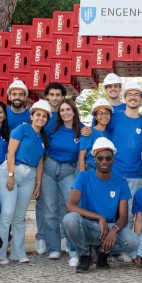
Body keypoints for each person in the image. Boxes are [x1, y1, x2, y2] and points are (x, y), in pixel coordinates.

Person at [63, 137, 140, 273]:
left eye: (108, 158)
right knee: (70, 219)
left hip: (108, 228)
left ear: (113, 160)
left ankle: (102, 252)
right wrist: (100, 217)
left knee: (133, 241)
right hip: (87, 225)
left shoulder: (120, 182)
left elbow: (123, 216)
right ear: (94, 160)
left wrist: (114, 230)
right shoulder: (83, 177)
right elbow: (70, 205)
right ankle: (85, 255)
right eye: (100, 158)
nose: (104, 161)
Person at [0, 100, 50, 264]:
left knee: (19, 216)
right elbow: (10, 152)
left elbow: (40, 163)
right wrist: (10, 175)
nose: (40, 118)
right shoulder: (22, 129)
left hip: (29, 176)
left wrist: (38, 184)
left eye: (44, 116)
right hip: (12, 171)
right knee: (7, 213)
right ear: (32, 116)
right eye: (38, 115)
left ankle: (18, 253)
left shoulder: (42, 138)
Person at [109, 81, 142, 262]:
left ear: (141, 99)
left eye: (137, 95)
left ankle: (125, 248)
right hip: (113, 172)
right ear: (124, 98)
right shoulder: (114, 117)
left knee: (130, 214)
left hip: (134, 173)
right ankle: (108, 247)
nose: (133, 97)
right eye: (130, 94)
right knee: (111, 211)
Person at [41, 98, 82, 263]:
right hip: (49, 168)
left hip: (68, 170)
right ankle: (53, 248)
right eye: (62, 110)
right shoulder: (52, 126)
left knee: (71, 209)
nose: (65, 112)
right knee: (50, 210)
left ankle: (73, 249)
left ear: (74, 111)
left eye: (68, 109)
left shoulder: (82, 130)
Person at [35, 82, 68, 255]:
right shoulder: (42, 114)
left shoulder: (66, 114)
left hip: (65, 166)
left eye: (58, 95)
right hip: (45, 162)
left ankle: (62, 236)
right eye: (52, 94)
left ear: (63, 97)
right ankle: (42, 237)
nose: (55, 98)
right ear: (47, 96)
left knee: (64, 203)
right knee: (45, 204)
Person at [78, 100, 113, 171]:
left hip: (103, 172)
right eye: (100, 113)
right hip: (89, 170)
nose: (104, 116)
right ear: (96, 117)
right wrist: (83, 177)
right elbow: (81, 157)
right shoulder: (88, 132)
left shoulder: (109, 134)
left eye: (107, 113)